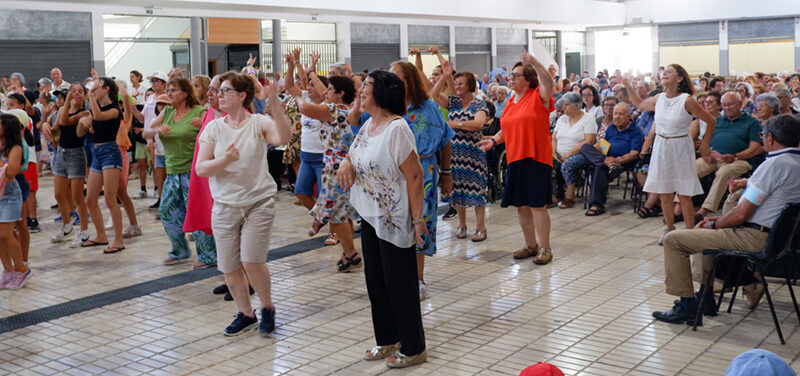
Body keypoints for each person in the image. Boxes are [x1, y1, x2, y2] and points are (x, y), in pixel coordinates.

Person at [652, 114, 800, 325]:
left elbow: (741, 214)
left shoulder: (774, 164)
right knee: (707, 235)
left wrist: (714, 223)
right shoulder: (795, 161)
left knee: (674, 240)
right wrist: (717, 223)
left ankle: (687, 306)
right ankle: (706, 298)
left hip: (755, 236)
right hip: (778, 239)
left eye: (763, 135)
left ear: (771, 138)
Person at [336, 69, 427, 369]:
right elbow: (353, 154)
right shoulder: (368, 125)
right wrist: (345, 164)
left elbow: (415, 176)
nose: (361, 90)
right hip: (370, 215)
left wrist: (418, 220)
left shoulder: (396, 128)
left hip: (396, 217)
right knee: (376, 282)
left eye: (367, 86)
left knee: (400, 284)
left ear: (383, 92)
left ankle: (414, 347)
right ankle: (388, 338)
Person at [196, 71, 290, 337]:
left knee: (251, 261)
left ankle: (268, 308)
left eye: (225, 91)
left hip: (258, 202)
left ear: (242, 96)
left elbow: (282, 138)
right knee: (230, 265)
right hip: (225, 205)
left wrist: (274, 103)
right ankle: (245, 313)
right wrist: (224, 160)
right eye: (218, 91)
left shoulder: (258, 122)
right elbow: (202, 168)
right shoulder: (214, 127)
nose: (219, 95)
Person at [623, 64, 716, 245]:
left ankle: (689, 234)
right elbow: (640, 104)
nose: (664, 74)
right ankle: (670, 230)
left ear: (680, 78)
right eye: (663, 71)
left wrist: (704, 145)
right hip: (661, 146)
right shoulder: (659, 98)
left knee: (683, 194)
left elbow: (710, 121)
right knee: (665, 194)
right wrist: (627, 85)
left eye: (669, 72)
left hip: (680, 147)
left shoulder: (687, 100)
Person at [478, 52, 556, 265]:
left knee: (537, 205)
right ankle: (531, 245)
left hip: (536, 157)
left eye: (516, 75)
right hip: (515, 157)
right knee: (521, 205)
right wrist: (493, 141)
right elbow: (507, 129)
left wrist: (535, 62)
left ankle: (545, 247)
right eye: (511, 75)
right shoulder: (512, 100)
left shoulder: (539, 95)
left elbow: (548, 81)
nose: (510, 78)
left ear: (528, 79)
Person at [387, 61, 454, 300]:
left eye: (396, 78)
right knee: (394, 225)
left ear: (409, 82)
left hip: (423, 172)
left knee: (419, 224)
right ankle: (395, 277)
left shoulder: (427, 107)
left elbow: (446, 138)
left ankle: (418, 279)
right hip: (392, 175)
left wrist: (446, 174)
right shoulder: (387, 107)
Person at [144, 77, 217, 266]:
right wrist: (159, 128)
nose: (169, 94)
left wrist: (202, 124)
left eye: (173, 90)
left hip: (193, 173)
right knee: (167, 211)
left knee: (198, 214)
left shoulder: (200, 112)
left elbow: (213, 131)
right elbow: (146, 133)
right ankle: (180, 250)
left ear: (185, 93)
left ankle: (208, 255)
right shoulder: (167, 111)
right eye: (168, 90)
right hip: (172, 171)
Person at [294, 74, 361, 271]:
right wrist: (312, 73)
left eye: (330, 89)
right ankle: (347, 251)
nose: (326, 92)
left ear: (340, 94)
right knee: (342, 211)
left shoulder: (334, 109)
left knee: (335, 214)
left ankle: (351, 253)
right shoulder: (348, 109)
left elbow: (306, 108)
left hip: (335, 168)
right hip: (343, 165)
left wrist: (299, 96)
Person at [430, 66, 490, 242]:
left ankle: (480, 228)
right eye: (455, 84)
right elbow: (434, 94)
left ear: (470, 85)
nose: (457, 87)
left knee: (477, 191)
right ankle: (461, 225)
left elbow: (478, 124)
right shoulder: (453, 102)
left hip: (474, 155)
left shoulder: (480, 104)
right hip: (454, 154)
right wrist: (445, 77)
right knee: (457, 193)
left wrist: (456, 124)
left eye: (461, 84)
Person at [77, 77, 126, 254]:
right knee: (89, 199)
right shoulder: (94, 108)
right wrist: (83, 123)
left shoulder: (114, 109)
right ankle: (101, 235)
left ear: (106, 89)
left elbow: (98, 116)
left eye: (95, 88)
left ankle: (118, 240)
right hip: (96, 154)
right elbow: (82, 131)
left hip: (110, 153)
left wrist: (90, 98)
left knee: (110, 199)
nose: (93, 91)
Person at [694, 92, 763, 219]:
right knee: (690, 170)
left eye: (730, 105)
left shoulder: (752, 122)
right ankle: (679, 207)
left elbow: (755, 148)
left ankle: (703, 211)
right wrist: (705, 154)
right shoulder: (716, 121)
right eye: (724, 105)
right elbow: (704, 143)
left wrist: (735, 156)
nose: (726, 108)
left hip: (740, 160)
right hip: (713, 158)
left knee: (724, 172)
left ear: (740, 104)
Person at [582, 102, 644, 216]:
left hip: (624, 162)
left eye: (621, 114)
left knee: (599, 167)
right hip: (608, 160)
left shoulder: (635, 131)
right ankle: (606, 164)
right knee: (585, 147)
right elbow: (604, 146)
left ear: (629, 116)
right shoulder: (611, 128)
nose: (616, 117)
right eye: (615, 113)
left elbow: (634, 154)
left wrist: (617, 160)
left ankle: (596, 205)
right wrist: (603, 155)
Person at [49, 83, 91, 247]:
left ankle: (84, 231)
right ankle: (66, 226)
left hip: (76, 154)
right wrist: (46, 126)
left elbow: (66, 122)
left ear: (85, 96)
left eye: (80, 92)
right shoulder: (60, 111)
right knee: (59, 194)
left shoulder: (85, 113)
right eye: (74, 91)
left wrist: (66, 101)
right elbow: (55, 130)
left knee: (77, 196)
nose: (76, 94)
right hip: (61, 153)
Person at [551, 92, 597, 209]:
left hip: (581, 153)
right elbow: (554, 138)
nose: (563, 107)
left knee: (568, 164)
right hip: (559, 153)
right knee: (543, 162)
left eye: (566, 105)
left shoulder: (588, 119)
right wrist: (553, 151)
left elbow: (589, 141)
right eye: (563, 105)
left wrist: (569, 153)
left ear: (577, 105)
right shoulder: (562, 119)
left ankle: (570, 196)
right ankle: (551, 196)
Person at [0, 114, 28, 289]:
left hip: (10, 195)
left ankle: (21, 268)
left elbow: (11, 172)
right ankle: (8, 270)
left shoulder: (15, 148)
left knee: (5, 234)